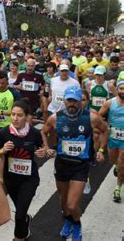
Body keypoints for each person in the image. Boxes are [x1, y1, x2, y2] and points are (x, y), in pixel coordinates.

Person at [41, 86, 108, 240]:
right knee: (63, 202)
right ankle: (68, 221)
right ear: (64, 100)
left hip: (81, 165)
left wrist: (101, 150)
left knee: (72, 205)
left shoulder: (92, 117)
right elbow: (43, 132)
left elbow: (105, 131)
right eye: (69, 100)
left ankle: (77, 224)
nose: (71, 103)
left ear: (81, 102)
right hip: (62, 164)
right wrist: (46, 147)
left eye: (75, 101)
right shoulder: (55, 118)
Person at [0, 100, 47, 240]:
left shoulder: (34, 133)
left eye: (19, 115)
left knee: (19, 214)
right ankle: (25, 220)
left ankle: (18, 238)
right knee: (21, 212)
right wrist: (3, 150)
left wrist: (43, 152)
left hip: (29, 179)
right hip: (11, 180)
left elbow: (43, 149)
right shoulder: (4, 133)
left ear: (26, 117)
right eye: (13, 114)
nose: (15, 118)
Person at [98, 80, 124, 203]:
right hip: (113, 138)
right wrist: (104, 126)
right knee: (113, 161)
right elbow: (98, 116)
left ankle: (118, 188)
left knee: (122, 163)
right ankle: (116, 166)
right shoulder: (110, 103)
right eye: (121, 88)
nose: (123, 91)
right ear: (117, 90)